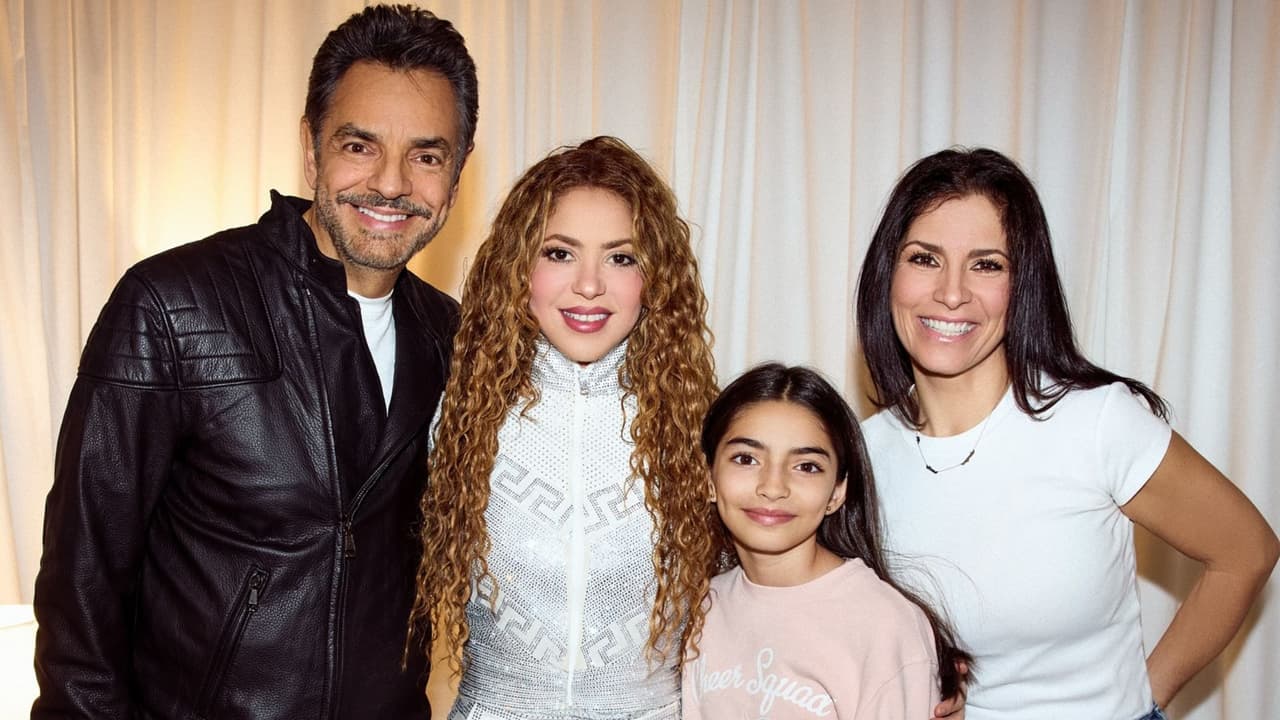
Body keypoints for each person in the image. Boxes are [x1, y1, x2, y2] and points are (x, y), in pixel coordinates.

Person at [31, 5, 478, 718]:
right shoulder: (172, 305)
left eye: (426, 155)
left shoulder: (451, 336)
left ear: (456, 173)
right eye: (359, 146)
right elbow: (84, 580)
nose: (392, 184)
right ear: (311, 149)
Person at [855, 147, 1280, 719]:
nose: (951, 293)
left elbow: (1245, 552)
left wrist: (1144, 702)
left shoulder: (1097, 421)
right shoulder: (859, 455)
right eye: (925, 258)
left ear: (1023, 283)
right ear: (889, 274)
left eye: (987, 264)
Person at [408, 136, 720, 719]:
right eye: (559, 253)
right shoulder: (456, 411)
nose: (589, 284)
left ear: (655, 279)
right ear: (517, 266)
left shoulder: (701, 424)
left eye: (621, 257)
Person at [683, 363, 971, 720]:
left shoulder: (884, 624)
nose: (773, 487)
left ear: (837, 491)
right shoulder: (701, 607)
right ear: (708, 477)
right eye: (746, 459)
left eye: (806, 466)